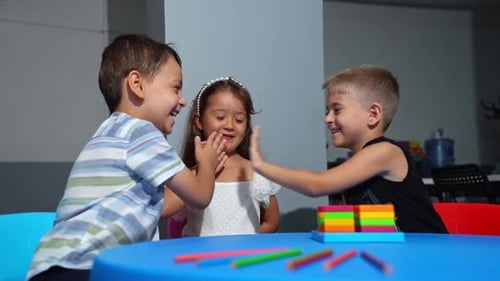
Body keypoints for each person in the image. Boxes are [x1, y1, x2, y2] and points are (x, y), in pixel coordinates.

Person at [27, 34, 227, 281]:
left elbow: (159, 205)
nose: (183, 100)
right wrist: (207, 164)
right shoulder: (142, 132)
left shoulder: (108, 133)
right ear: (137, 84)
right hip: (88, 266)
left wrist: (197, 173)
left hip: (56, 264)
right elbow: (199, 196)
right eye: (176, 88)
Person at [249, 65, 448, 233]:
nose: (327, 119)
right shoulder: (358, 161)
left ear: (373, 114)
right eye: (327, 111)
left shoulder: (386, 152)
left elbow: (317, 185)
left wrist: (261, 165)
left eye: (337, 110)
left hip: (429, 255)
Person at [163, 76, 281, 236]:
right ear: (199, 122)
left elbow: (272, 222)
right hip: (200, 259)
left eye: (239, 119)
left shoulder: (255, 172)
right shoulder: (190, 176)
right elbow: (166, 211)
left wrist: (246, 242)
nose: (230, 126)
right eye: (220, 117)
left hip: (243, 260)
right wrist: (203, 170)